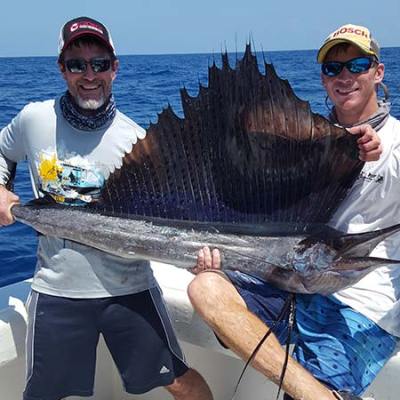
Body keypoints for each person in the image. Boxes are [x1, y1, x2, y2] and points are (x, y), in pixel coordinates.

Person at [0, 16, 212, 400]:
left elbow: (169, 222)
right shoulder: (34, 119)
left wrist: (196, 257)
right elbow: (2, 150)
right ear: (62, 70)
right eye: (77, 64)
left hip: (130, 290)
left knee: (183, 384)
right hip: (56, 292)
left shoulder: (136, 142)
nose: (89, 75)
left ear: (115, 68)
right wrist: (1, 188)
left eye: (99, 63)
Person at [188, 24, 400, 400]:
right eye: (334, 69)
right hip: (288, 281)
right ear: (323, 78)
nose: (345, 76)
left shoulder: (395, 145)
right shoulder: (309, 142)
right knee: (205, 286)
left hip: (359, 304)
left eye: (358, 65)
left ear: (377, 72)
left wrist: (378, 150)